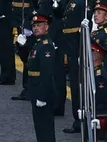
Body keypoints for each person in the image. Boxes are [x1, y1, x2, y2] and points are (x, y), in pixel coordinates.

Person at [25, 11, 65, 142]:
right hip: (35, 87)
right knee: (39, 125)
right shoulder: (38, 43)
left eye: (39, 25)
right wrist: (21, 47)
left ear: (46, 26)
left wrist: (42, 96)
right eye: (34, 25)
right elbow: (29, 63)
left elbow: (47, 73)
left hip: (43, 90)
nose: (36, 28)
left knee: (45, 126)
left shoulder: (46, 46)